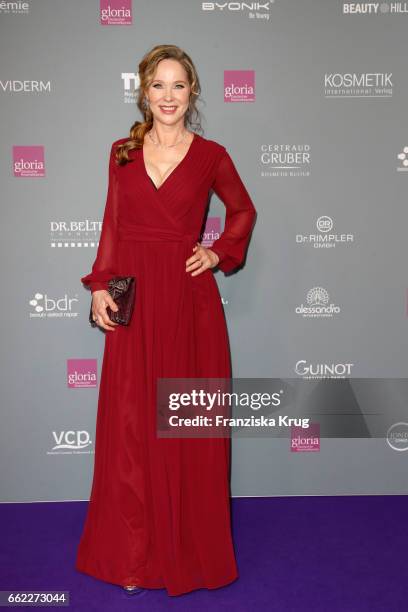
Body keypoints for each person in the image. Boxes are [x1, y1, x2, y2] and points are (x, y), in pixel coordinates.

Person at [75, 44, 257, 598]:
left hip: (188, 303)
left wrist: (219, 251)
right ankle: (134, 556)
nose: (169, 96)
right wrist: (101, 284)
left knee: (181, 429)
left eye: (179, 86)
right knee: (131, 428)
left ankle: (187, 551)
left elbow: (244, 210)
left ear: (193, 92)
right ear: (144, 92)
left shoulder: (212, 155)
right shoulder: (121, 153)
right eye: (159, 85)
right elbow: (114, 224)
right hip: (134, 294)